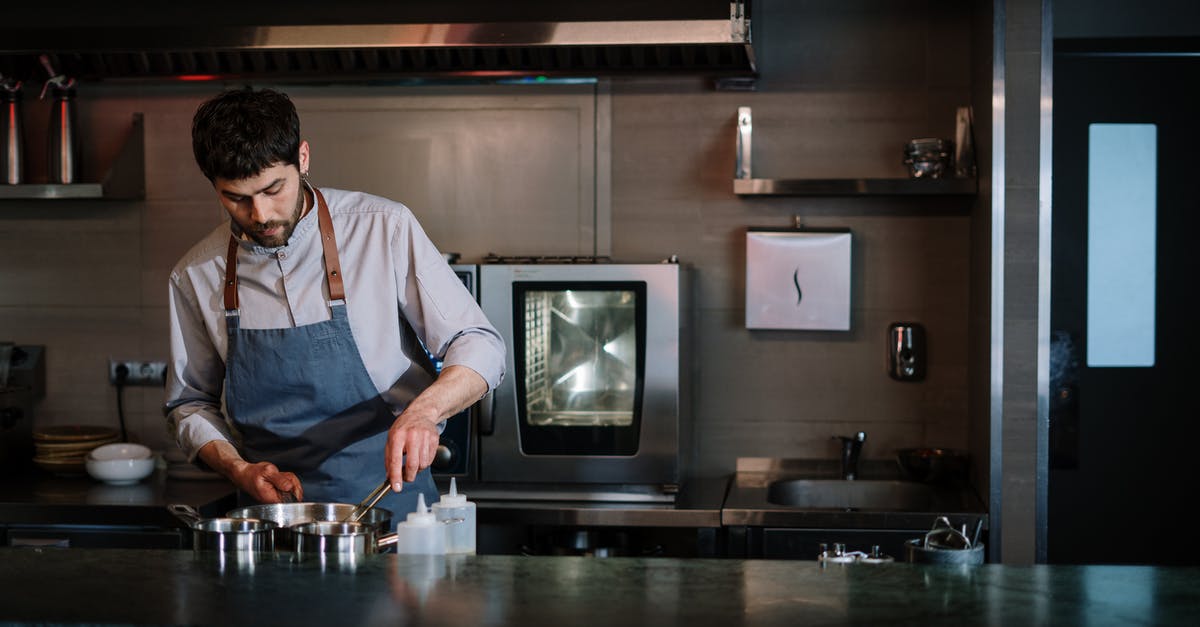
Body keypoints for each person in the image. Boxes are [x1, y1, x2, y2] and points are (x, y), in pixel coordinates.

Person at [164, 87, 505, 516]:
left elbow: (480, 343)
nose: (261, 214)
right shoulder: (195, 274)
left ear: (302, 158)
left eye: (274, 189)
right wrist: (237, 469)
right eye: (237, 198)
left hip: (391, 503)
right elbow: (189, 403)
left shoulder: (383, 229)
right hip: (272, 521)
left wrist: (425, 411)